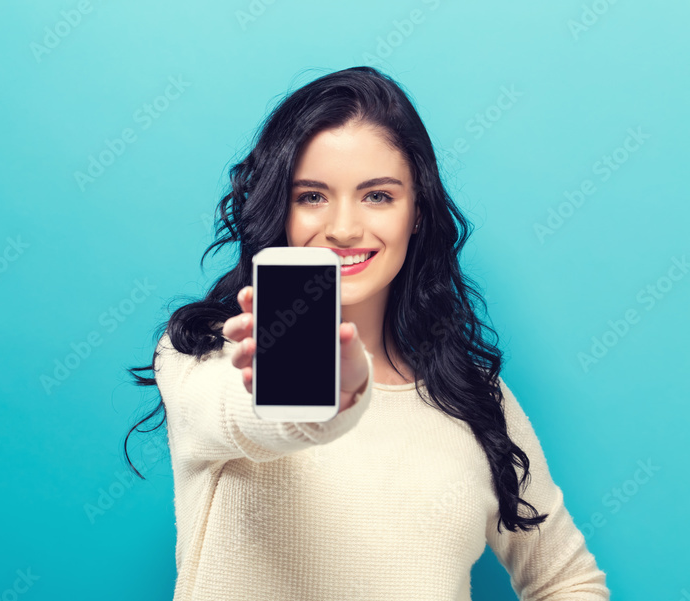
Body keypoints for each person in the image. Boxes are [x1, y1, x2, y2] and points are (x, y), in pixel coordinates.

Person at [124, 66, 610, 600]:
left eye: (378, 196)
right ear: (278, 209)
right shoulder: (204, 359)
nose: (345, 228)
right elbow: (272, 417)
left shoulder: (471, 396)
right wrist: (336, 388)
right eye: (311, 196)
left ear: (417, 213)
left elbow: (567, 581)